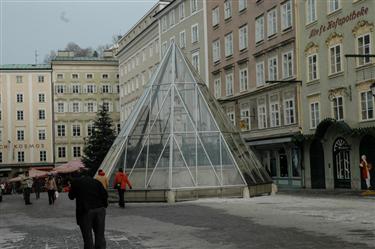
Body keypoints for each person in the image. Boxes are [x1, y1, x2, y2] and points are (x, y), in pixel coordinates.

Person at [68, 171, 108, 249]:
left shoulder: (76, 182)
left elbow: (71, 196)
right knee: (100, 235)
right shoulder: (96, 182)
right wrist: (104, 205)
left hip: (85, 211)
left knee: (88, 236)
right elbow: (105, 195)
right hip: (100, 210)